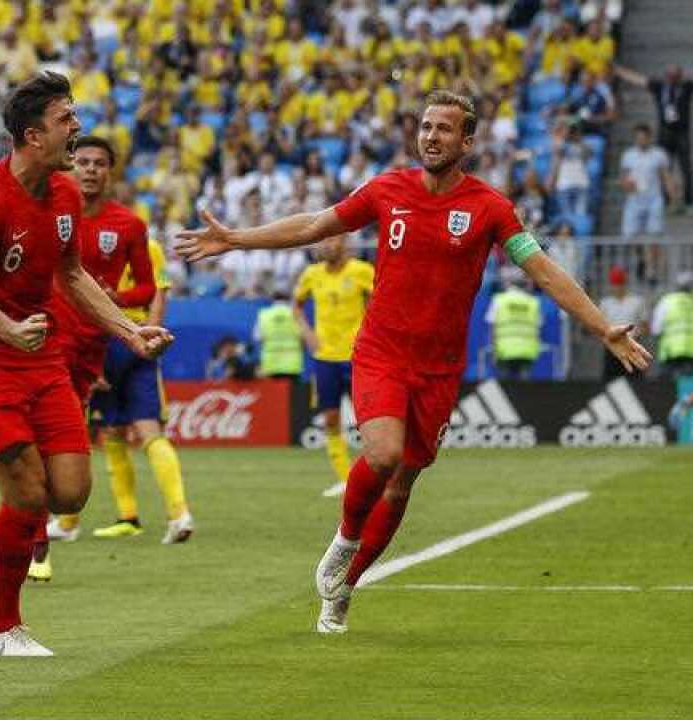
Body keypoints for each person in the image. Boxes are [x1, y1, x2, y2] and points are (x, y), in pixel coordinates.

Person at [176, 90, 651, 635]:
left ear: (467, 142)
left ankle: (345, 589)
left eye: (444, 129)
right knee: (382, 453)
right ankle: (346, 538)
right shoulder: (387, 189)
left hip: (440, 370)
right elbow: (315, 225)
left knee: (402, 485)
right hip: (381, 351)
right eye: (426, 126)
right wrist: (237, 238)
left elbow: (541, 269)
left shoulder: (490, 208)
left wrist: (601, 326)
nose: (431, 136)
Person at [0, 72, 170, 655]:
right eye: (66, 119)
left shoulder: (66, 195)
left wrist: (128, 330)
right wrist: (11, 330)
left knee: (68, 494)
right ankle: (1, 626)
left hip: (38, 357)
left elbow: (71, 276)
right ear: (31, 135)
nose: (77, 128)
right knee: (25, 493)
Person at [32, 135, 159, 577]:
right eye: (81, 161)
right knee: (42, 439)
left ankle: (53, 522)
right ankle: (38, 541)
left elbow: (147, 287)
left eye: (98, 163)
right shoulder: (50, 210)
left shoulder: (129, 225)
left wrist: (116, 296)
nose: (89, 169)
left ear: (110, 171)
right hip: (47, 339)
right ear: (70, 167)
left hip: (93, 347)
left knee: (70, 449)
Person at [89, 236, 195, 545]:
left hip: (114, 340)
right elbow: (161, 294)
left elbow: (159, 292)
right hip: (125, 339)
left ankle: (156, 515)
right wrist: (148, 337)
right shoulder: (148, 246)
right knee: (131, 432)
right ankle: (159, 516)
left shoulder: (143, 246)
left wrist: (146, 338)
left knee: (116, 432)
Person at [292, 234, 374, 494]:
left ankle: (374, 477)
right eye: (321, 241)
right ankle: (347, 480)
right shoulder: (312, 274)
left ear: (345, 244)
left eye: (332, 240)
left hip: (357, 357)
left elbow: (381, 301)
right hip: (325, 357)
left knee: (369, 420)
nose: (325, 245)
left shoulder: (361, 271)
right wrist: (307, 333)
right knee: (330, 417)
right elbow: (296, 305)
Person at [615, 65, 693, 209]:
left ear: (680, 76)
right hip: (665, 131)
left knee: (686, 167)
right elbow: (639, 80)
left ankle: (689, 201)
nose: (672, 79)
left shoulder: (686, 87)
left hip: (682, 132)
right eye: (670, 75)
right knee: (664, 166)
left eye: (675, 76)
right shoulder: (660, 87)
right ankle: (665, 200)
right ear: (666, 76)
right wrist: (620, 72)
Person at [619, 124, 677, 239]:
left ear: (649, 138)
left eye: (643, 138)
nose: (641, 141)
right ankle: (640, 257)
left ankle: (654, 257)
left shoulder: (659, 154)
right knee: (630, 235)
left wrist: (672, 195)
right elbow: (623, 178)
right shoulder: (628, 155)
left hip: (654, 199)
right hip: (634, 198)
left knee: (655, 235)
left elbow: (666, 177)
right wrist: (626, 185)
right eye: (638, 138)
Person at [486, 266, 543, 380]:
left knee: (504, 390)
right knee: (524, 392)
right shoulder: (532, 302)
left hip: (504, 351)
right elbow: (538, 327)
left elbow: (492, 327)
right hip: (527, 352)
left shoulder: (499, 300)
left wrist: (493, 350)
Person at [599, 266, 648, 379]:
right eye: (615, 284)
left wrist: (637, 335)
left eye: (620, 283)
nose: (618, 287)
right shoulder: (605, 303)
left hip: (632, 345)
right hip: (612, 347)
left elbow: (644, 324)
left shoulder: (637, 301)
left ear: (625, 284)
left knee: (636, 380)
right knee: (611, 380)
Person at [253, 287, 304, 380]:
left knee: (273, 394)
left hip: (270, 364)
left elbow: (257, 337)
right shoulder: (295, 313)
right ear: (289, 299)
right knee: (291, 394)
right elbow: (302, 336)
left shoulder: (264, 315)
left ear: (272, 299)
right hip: (292, 363)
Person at [651, 271, 693, 377]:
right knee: (688, 388)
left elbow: (656, 329)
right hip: (690, 354)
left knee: (667, 388)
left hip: (669, 352)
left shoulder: (666, 301)